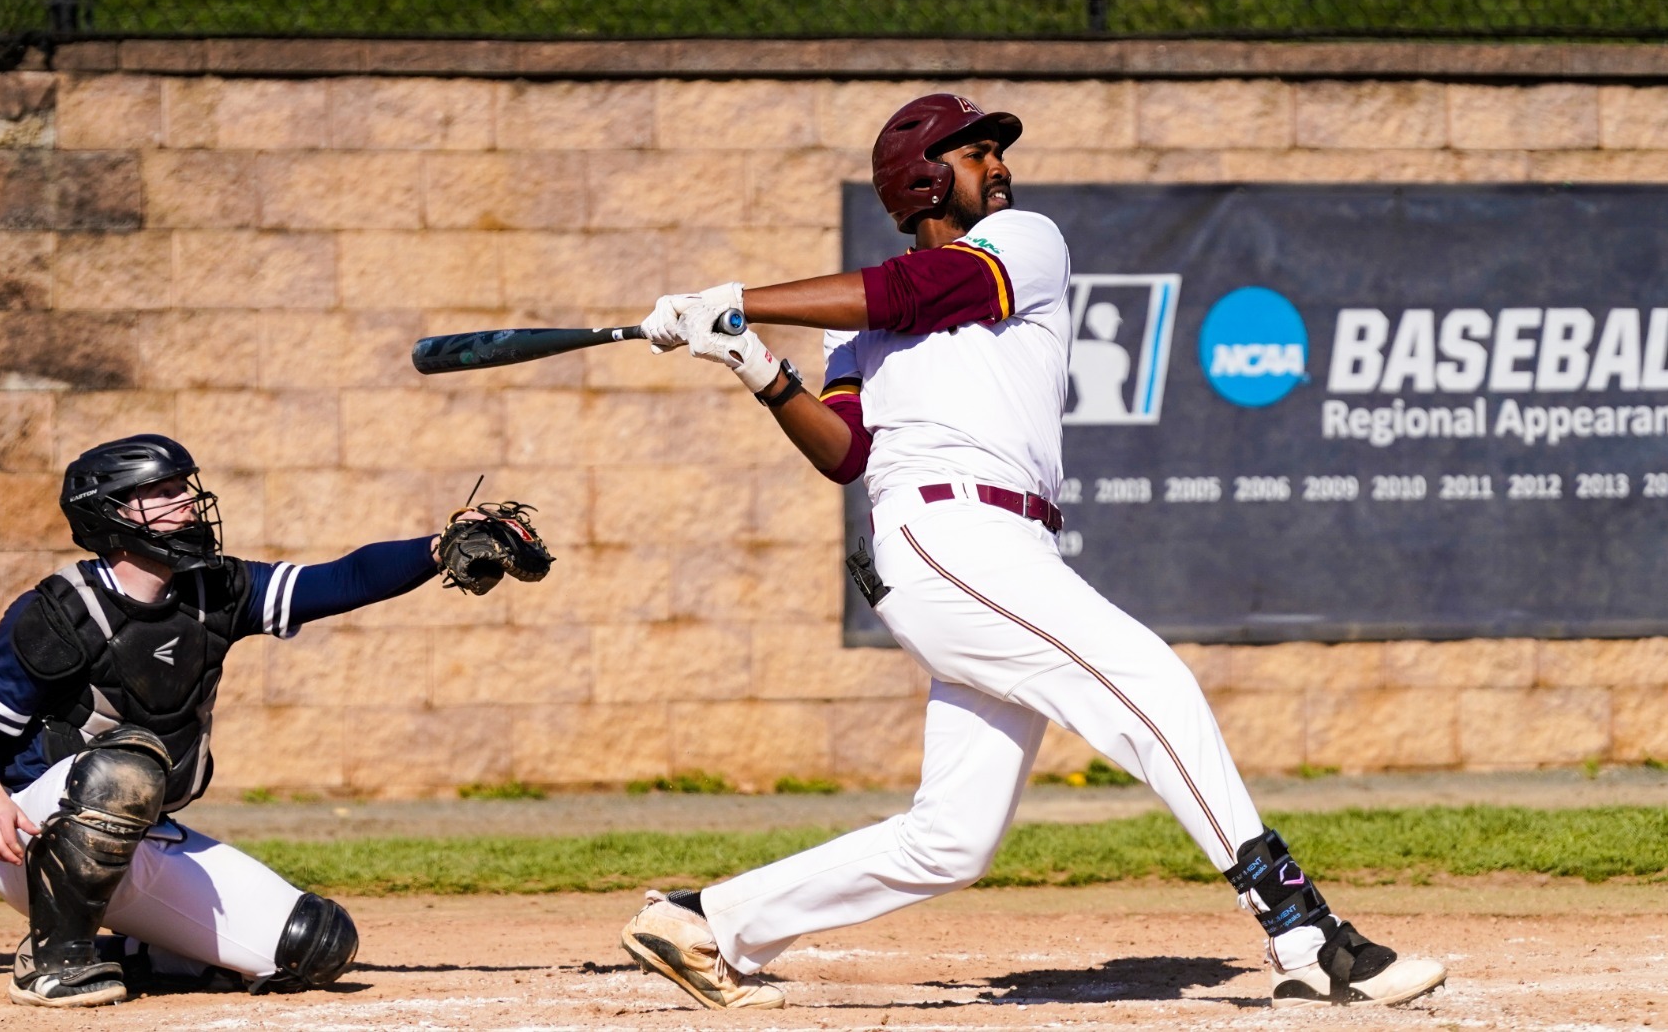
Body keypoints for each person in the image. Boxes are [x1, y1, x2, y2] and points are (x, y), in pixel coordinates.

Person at [614, 94, 1449, 1010]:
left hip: (1001, 549)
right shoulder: (851, 330)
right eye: (975, 154)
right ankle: (1304, 933)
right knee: (1152, 681)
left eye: (994, 152)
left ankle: (706, 921)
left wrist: (733, 302)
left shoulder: (1024, 243)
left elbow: (917, 294)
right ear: (925, 177)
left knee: (952, 840)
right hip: (942, 538)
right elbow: (845, 453)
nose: (999, 166)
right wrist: (760, 372)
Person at [0, 434, 548, 1007]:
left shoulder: (218, 590)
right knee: (122, 767)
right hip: (34, 840)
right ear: (111, 515)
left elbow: (341, 579)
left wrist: (436, 549)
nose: (186, 502)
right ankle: (55, 961)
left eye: (185, 487)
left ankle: (134, 952)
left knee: (313, 946)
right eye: (162, 493)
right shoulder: (59, 610)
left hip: (137, 839)